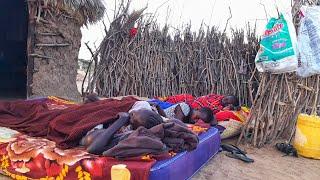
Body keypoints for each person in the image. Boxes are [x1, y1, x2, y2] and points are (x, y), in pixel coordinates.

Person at [80, 100, 164, 155]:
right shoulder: (129, 126)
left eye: (132, 116)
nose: (132, 112)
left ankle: (93, 101)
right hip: (98, 129)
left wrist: (121, 120)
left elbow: (93, 148)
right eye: (136, 110)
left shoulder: (128, 135)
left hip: (87, 136)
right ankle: (94, 101)